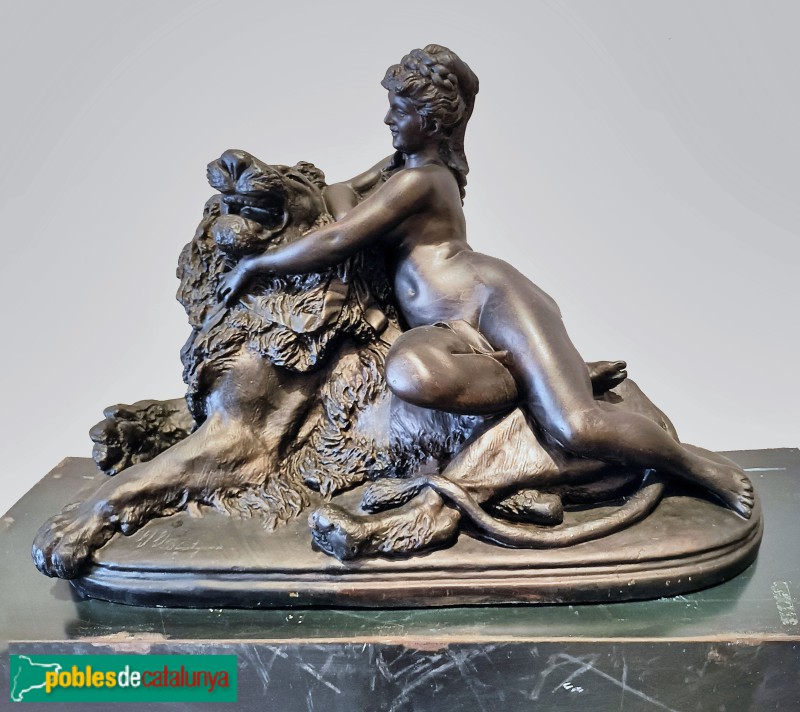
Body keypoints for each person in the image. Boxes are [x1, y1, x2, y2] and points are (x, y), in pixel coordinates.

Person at [218, 45, 753, 518]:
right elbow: (339, 192)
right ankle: (540, 374)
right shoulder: (401, 167)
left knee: (576, 425)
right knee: (410, 375)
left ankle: (699, 467)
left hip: (492, 298)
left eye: (399, 109)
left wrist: (258, 265)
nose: (387, 118)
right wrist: (344, 208)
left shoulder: (422, 180)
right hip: (453, 330)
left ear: (430, 120)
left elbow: (339, 236)